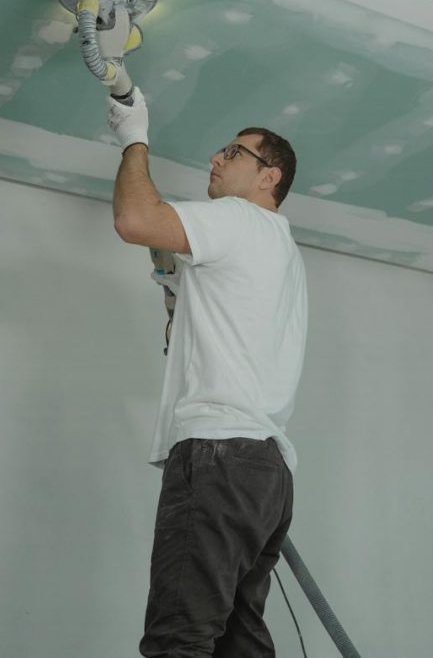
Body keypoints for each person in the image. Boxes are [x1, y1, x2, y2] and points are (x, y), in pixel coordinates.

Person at [107, 86, 308, 657]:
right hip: (266, 472)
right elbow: (202, 319)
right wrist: (174, 283)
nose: (216, 158)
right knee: (237, 644)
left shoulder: (239, 219)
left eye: (234, 152)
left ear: (269, 177)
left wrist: (133, 137)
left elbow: (135, 220)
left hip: (220, 456)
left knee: (180, 638)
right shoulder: (281, 250)